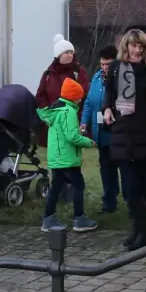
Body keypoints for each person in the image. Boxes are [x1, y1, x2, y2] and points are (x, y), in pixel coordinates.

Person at [102, 30, 146, 251]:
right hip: (122, 129)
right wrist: (106, 108)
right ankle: (140, 229)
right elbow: (108, 93)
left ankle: (141, 231)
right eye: (133, 46)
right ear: (126, 46)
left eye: (141, 46)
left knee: (141, 185)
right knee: (129, 186)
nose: (137, 50)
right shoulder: (115, 68)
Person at [37, 78, 95, 233]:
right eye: (79, 96)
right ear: (73, 97)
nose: (81, 99)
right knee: (78, 186)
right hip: (67, 159)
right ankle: (79, 218)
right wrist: (89, 142)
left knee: (55, 187)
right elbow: (72, 137)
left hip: (57, 158)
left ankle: (47, 219)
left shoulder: (55, 110)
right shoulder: (68, 111)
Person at [80, 45, 119, 213]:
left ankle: (130, 200)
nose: (105, 68)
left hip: (118, 132)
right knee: (106, 168)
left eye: (108, 64)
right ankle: (109, 201)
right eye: (102, 64)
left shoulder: (123, 79)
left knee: (123, 168)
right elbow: (89, 102)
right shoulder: (96, 78)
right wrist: (84, 122)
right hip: (101, 131)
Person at [34, 35, 87, 111]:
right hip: (53, 119)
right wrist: (48, 111)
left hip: (72, 116)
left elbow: (83, 93)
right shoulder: (49, 74)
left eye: (71, 52)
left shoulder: (79, 71)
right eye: (66, 52)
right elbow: (40, 96)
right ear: (59, 55)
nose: (70, 55)